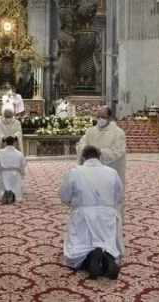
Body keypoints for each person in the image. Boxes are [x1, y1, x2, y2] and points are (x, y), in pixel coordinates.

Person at [59, 146, 124, 280]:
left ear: (83, 157)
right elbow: (119, 197)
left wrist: (77, 205)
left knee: (75, 254)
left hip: (83, 217)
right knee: (108, 244)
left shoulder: (75, 172)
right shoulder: (112, 172)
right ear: (99, 156)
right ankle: (107, 257)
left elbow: (64, 196)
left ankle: (89, 260)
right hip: (107, 218)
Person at [76, 106, 126, 218]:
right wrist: (87, 151)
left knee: (109, 204)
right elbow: (80, 144)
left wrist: (99, 153)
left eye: (102, 117)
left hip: (110, 173)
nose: (99, 119)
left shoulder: (118, 133)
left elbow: (118, 152)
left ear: (110, 117)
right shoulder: (91, 131)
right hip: (91, 173)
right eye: (97, 117)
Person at [0, 136, 26, 205]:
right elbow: (23, 164)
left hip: (4, 173)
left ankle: (4, 194)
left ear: (5, 143)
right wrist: (20, 172)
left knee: (3, 186)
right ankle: (14, 196)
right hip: (15, 173)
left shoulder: (0, 152)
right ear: (14, 143)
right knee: (15, 185)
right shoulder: (19, 153)